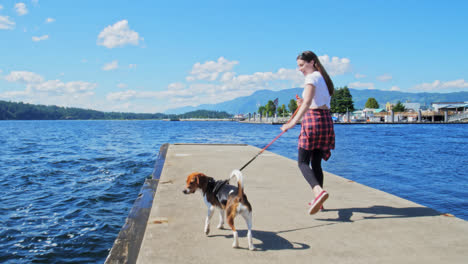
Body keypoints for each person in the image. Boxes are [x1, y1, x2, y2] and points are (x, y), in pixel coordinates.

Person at [281, 51, 335, 215]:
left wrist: (291, 123)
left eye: (302, 65)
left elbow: (307, 105)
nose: (300, 69)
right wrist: (302, 102)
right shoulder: (322, 78)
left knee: (302, 163)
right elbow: (313, 101)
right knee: (316, 163)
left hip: (313, 121)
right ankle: (320, 203)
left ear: (312, 62)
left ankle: (318, 192)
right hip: (326, 121)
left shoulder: (311, 78)